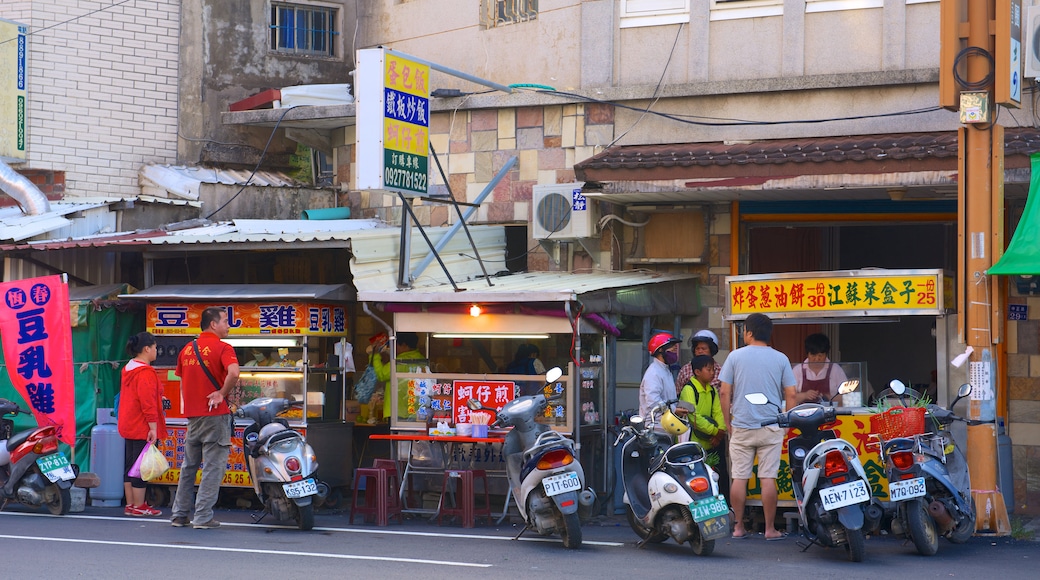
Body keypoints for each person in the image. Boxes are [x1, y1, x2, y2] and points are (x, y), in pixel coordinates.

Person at [719, 313, 797, 541]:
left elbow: (724, 392)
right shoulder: (781, 358)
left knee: (739, 478)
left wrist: (728, 422)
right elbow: (791, 394)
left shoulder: (735, 357)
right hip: (771, 426)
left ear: (750, 332)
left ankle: (738, 527)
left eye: (744, 330)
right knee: (767, 479)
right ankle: (771, 529)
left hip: (741, 426)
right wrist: (786, 423)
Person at [170, 307, 240, 529]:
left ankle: (179, 514)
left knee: (189, 466)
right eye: (225, 321)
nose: (228, 325)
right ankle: (202, 517)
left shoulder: (187, 349)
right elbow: (235, 373)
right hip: (215, 415)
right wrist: (221, 393)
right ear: (213, 324)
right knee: (212, 466)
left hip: (193, 416)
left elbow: (182, 381)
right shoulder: (223, 348)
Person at [117, 331, 166, 517]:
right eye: (155, 347)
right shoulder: (145, 372)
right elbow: (147, 403)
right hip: (141, 425)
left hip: (128, 423)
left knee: (131, 464)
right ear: (147, 349)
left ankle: (131, 504)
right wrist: (153, 427)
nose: (156, 350)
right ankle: (139, 506)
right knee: (141, 467)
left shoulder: (128, 369)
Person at [678, 354, 728, 500]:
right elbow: (693, 417)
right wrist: (715, 431)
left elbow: (718, 412)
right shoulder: (689, 389)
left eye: (713, 370)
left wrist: (720, 431)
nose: (712, 373)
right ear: (697, 372)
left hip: (711, 443)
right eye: (709, 369)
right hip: (693, 443)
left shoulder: (712, 390)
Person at [372, 331, 426, 421]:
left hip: (397, 412)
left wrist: (374, 355)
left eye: (396, 345)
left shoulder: (399, 362)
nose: (394, 348)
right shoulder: (422, 360)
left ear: (404, 345)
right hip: (417, 411)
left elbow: (381, 374)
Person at [639, 332, 684, 424]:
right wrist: (674, 410)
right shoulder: (654, 372)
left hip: (666, 424)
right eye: (671, 346)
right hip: (654, 426)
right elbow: (653, 401)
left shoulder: (665, 370)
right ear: (660, 350)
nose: (675, 348)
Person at [791, 333, 848, 404]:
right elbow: (789, 397)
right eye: (813, 355)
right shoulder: (797, 370)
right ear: (807, 354)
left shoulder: (835, 369)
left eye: (820, 355)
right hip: (802, 413)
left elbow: (847, 396)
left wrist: (829, 398)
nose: (817, 359)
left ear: (826, 354)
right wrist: (804, 395)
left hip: (829, 413)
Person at [675, 329, 721, 395]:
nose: (700, 351)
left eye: (703, 348)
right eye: (697, 348)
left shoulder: (720, 371)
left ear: (712, 350)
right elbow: (678, 394)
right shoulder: (685, 370)